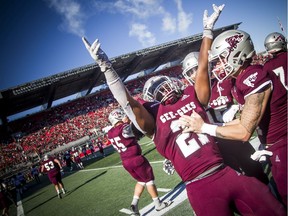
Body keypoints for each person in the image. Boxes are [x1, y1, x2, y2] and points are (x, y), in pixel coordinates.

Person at [82, 4, 286, 215]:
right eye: (158, 90)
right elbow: (128, 103)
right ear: (152, 101)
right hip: (200, 186)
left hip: (225, 170)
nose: (166, 89)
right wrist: (107, 68)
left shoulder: (190, 95)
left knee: (275, 209)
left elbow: (203, 67)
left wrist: (207, 33)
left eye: (165, 84)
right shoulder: (153, 120)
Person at [179, 29, 287, 207]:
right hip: (274, 144)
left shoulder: (253, 76)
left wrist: (204, 128)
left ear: (236, 53)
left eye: (221, 59)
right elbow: (244, 120)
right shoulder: (242, 79)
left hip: (282, 144)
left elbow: (244, 132)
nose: (219, 65)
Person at [181, 51, 269, 184]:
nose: (195, 74)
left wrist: (238, 107)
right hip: (215, 146)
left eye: (197, 69)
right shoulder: (188, 96)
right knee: (235, 183)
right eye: (190, 72)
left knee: (257, 173)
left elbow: (247, 102)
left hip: (236, 137)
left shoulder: (225, 82)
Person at [107, 108, 171, 215]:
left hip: (125, 162)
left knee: (141, 181)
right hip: (136, 159)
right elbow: (136, 129)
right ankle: (158, 204)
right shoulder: (124, 128)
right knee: (149, 180)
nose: (126, 116)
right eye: (123, 115)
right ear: (118, 117)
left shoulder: (110, 132)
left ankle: (134, 204)